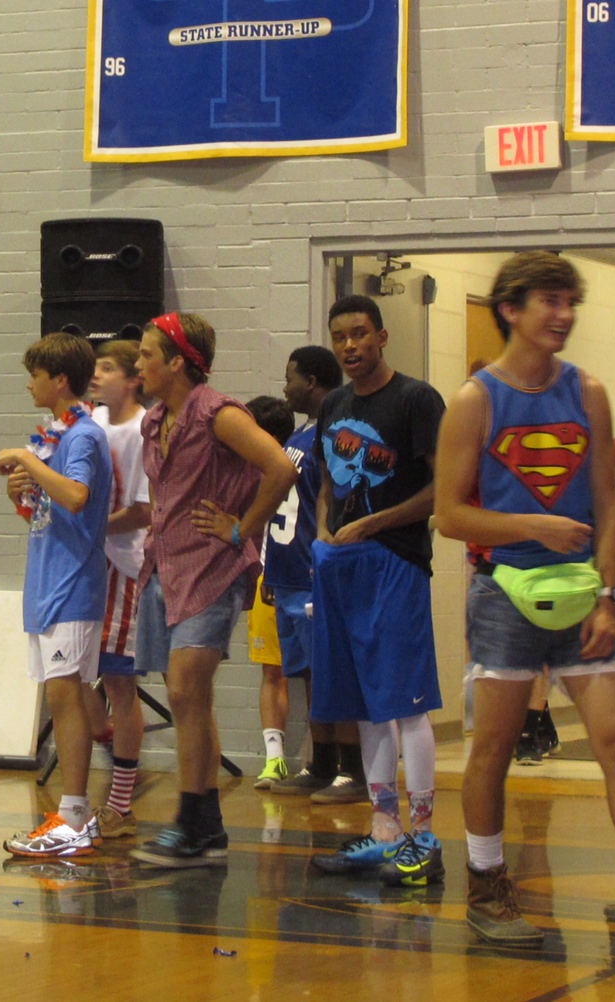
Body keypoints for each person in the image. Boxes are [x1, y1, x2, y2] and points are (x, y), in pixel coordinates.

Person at [434, 251, 615, 950]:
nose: (564, 316)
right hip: (504, 592)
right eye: (550, 302)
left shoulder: (587, 391)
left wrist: (609, 595)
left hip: (585, 593)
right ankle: (486, 886)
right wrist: (534, 527)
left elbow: (608, 504)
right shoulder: (475, 400)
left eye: (571, 303)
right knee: (493, 750)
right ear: (510, 309)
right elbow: (450, 516)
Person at [128, 312, 297, 868]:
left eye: (148, 354)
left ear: (179, 362)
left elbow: (280, 468)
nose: (138, 363)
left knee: (184, 690)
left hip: (210, 570)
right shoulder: (156, 420)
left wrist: (241, 529)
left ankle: (189, 821)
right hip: (165, 569)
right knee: (190, 700)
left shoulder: (218, 413)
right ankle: (208, 828)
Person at [304, 296, 445, 888]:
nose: (349, 346)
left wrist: (374, 524)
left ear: (382, 337)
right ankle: (385, 831)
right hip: (342, 563)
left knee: (403, 702)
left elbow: (443, 488)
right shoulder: (334, 405)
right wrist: (323, 535)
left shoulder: (416, 399)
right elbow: (325, 486)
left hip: (396, 560)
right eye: (339, 337)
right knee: (364, 705)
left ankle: (424, 838)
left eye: (360, 334)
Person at [0, 333, 113, 858]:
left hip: (73, 585)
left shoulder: (83, 436)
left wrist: (30, 460)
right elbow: (51, 511)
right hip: (48, 584)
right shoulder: (57, 436)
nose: (29, 384)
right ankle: (72, 815)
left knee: (67, 698)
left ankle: (74, 815)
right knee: (61, 695)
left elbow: (77, 495)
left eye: (35, 374)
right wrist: (22, 492)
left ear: (60, 380)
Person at [264, 346, 368, 805]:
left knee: (332, 673)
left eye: (290, 378)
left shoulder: (336, 433)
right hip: (287, 574)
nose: (285, 387)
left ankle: (353, 768)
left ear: (310, 381)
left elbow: (334, 502)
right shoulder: (301, 433)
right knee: (307, 674)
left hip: (314, 573)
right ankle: (321, 762)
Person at [86, 338, 153, 840]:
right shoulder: (90, 422)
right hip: (87, 565)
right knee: (70, 677)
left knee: (118, 686)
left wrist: (89, 525)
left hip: (125, 566)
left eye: (107, 367)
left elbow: (144, 510)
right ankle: (110, 739)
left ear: (133, 379)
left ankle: (121, 803)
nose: (96, 374)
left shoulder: (143, 428)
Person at [242, 395, 296, 788]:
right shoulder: (247, 473)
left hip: (302, 578)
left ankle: (332, 759)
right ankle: (274, 759)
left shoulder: (299, 464)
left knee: (312, 672)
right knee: (271, 670)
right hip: (268, 577)